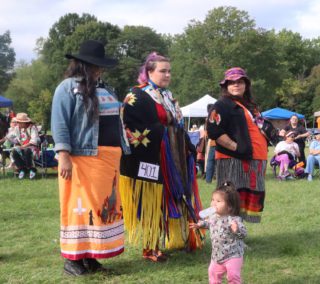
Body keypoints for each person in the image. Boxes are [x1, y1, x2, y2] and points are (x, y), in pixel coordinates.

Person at [51, 40, 130, 276]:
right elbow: (59, 122)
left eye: (100, 66)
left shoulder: (106, 89)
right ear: (83, 65)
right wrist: (63, 154)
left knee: (100, 208)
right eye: (95, 66)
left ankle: (91, 256)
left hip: (108, 160)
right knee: (80, 208)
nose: (99, 70)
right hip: (83, 159)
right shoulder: (67, 88)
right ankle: (72, 260)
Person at [119, 52, 203, 262]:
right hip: (150, 157)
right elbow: (129, 126)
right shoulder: (137, 95)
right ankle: (150, 246)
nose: (167, 75)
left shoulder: (167, 95)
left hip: (173, 155)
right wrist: (162, 131)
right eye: (162, 71)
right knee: (152, 199)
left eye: (169, 71)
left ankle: (177, 237)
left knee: (171, 197)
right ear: (149, 72)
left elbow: (176, 122)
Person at [207, 67, 268, 223]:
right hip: (232, 159)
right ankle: (226, 234)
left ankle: (237, 232)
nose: (236, 85)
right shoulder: (222, 105)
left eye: (240, 82)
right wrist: (236, 147)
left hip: (253, 158)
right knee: (230, 198)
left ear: (246, 85)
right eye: (232, 82)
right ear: (226, 86)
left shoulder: (250, 105)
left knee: (243, 199)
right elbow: (214, 130)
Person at [190, 182, 247, 284]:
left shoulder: (234, 220)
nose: (213, 203)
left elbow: (242, 235)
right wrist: (201, 224)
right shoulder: (213, 216)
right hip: (217, 256)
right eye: (213, 200)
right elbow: (209, 224)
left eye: (218, 201)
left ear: (229, 206)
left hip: (233, 255)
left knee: (233, 276)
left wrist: (236, 230)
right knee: (213, 273)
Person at [6, 113, 40, 179]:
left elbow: (34, 141)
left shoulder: (32, 128)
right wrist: (16, 143)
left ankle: (31, 169)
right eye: (17, 122)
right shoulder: (17, 129)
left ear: (24, 123)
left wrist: (24, 146)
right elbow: (8, 136)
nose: (18, 124)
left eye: (19, 122)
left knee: (27, 150)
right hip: (22, 148)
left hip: (33, 149)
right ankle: (22, 169)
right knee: (14, 151)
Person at [205, 103, 216, 183]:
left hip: (212, 141)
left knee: (210, 161)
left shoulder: (208, 118)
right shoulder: (215, 117)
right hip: (218, 142)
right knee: (216, 161)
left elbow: (207, 132)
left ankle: (208, 180)